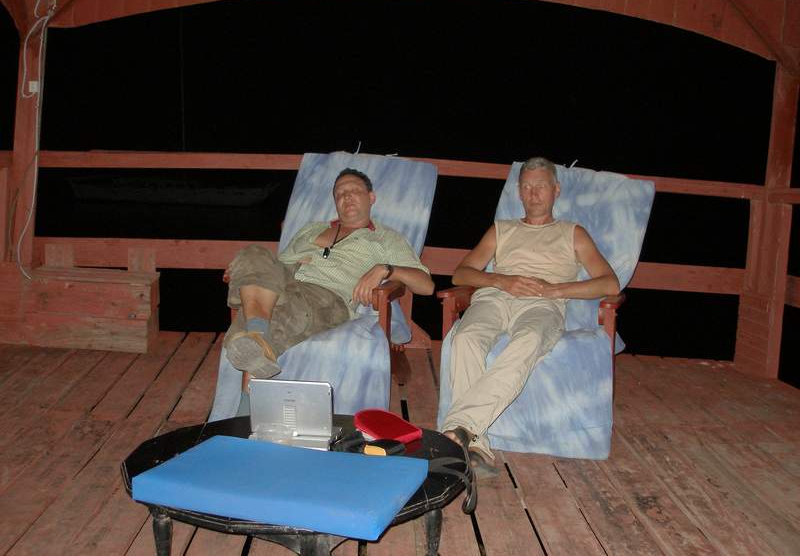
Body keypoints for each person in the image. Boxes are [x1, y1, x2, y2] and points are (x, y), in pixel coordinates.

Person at [440, 157, 620, 478]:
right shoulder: (502, 230)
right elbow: (461, 273)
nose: (533, 194)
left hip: (542, 304)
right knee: (465, 337)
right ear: (519, 192)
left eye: (541, 186)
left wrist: (555, 289)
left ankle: (459, 429)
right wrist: (501, 280)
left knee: (529, 339)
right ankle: (475, 444)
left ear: (556, 190)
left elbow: (609, 283)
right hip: (495, 298)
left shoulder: (573, 233)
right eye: (526, 187)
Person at [223, 167, 434, 380]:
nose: (347, 196)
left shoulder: (386, 238)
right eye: (340, 193)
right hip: (288, 281)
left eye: (354, 190)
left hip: (328, 296)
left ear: (371, 198)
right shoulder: (311, 229)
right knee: (252, 253)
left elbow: (426, 286)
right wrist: (247, 269)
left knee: (275, 310)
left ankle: (252, 355)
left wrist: (385, 269)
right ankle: (257, 338)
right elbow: (276, 267)